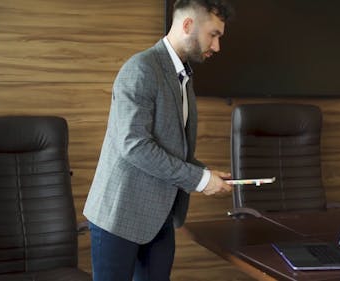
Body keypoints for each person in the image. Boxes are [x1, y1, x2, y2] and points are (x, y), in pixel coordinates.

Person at [82, 1, 234, 280]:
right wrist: (200, 180)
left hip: (160, 216)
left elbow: (171, 147)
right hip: (119, 215)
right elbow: (135, 145)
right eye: (213, 35)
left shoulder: (183, 76)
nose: (216, 47)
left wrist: (206, 174)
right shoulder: (141, 69)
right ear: (188, 25)